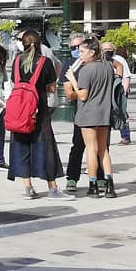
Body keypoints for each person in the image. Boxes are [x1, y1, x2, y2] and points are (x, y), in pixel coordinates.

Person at [7, 29, 65, 200]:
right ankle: (52, 188)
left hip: (19, 112)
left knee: (22, 146)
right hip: (39, 111)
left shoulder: (17, 61)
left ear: (22, 44)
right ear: (39, 44)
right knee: (46, 148)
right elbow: (52, 88)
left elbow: (14, 82)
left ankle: (28, 187)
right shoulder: (45, 62)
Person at [70, 37, 118, 198]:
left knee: (91, 149)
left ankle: (93, 186)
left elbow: (83, 95)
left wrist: (72, 81)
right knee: (104, 150)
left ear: (92, 52)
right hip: (104, 113)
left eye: (83, 52)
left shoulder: (86, 70)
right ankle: (110, 185)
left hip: (88, 114)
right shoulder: (108, 67)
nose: (80, 55)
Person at [59, 32, 88, 194]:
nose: (77, 50)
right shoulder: (70, 64)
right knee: (78, 145)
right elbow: (69, 94)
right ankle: (72, 178)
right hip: (81, 111)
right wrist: (86, 92)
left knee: (101, 147)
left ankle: (100, 179)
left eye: (80, 46)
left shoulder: (96, 63)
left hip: (101, 111)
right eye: (74, 47)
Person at [103, 41, 132, 146]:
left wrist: (124, 90)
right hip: (106, 91)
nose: (107, 52)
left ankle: (125, 136)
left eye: (109, 50)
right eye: (104, 50)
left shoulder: (119, 60)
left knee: (121, 113)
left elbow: (126, 76)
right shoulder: (100, 60)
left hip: (118, 91)